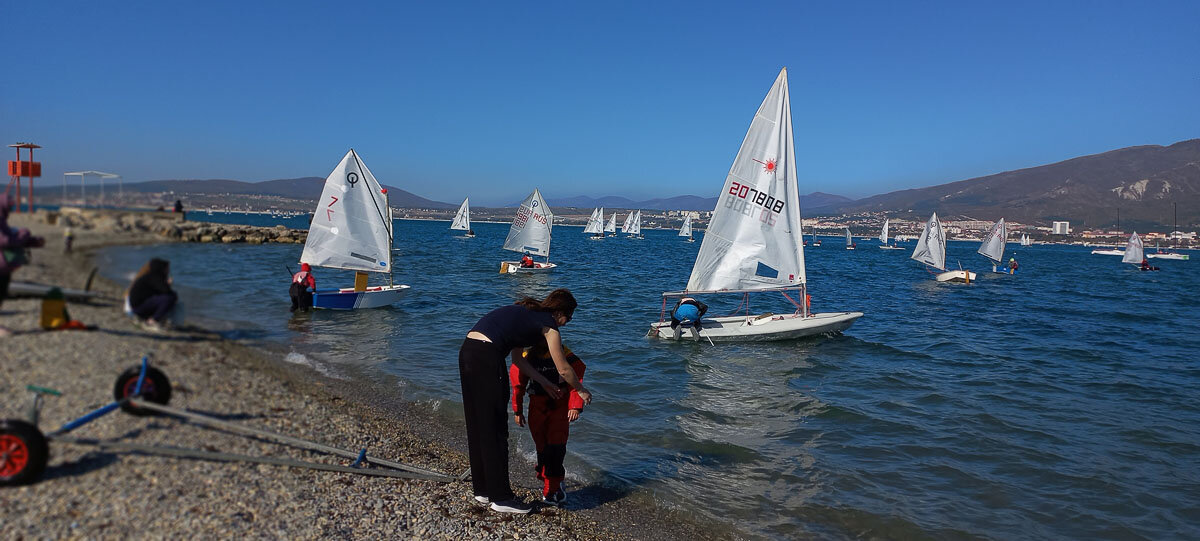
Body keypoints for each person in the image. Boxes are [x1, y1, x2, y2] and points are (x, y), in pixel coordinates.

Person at [459, 289, 591, 514]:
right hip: (487, 356)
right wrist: (581, 390)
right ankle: (501, 498)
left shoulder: (528, 312)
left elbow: (518, 360)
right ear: (559, 312)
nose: (567, 323)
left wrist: (544, 383)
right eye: (568, 317)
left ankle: (482, 490)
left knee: (477, 424)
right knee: (496, 428)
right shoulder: (550, 327)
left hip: (468, 351)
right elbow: (564, 369)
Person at [510, 340, 587, 507]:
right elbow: (518, 385)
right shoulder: (525, 356)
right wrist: (517, 410)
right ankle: (546, 476)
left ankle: (552, 487)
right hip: (537, 407)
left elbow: (576, 377)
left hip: (559, 407)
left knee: (556, 447)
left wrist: (575, 406)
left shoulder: (563, 353)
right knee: (542, 447)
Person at [0, 194, 46, 335]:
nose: (11, 208)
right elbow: (6, 241)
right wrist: (25, 233)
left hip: (4, 267)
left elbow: (14, 239)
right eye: (10, 205)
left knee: (1, 293)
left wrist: (34, 241)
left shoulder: (3, 221)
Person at [127, 258, 177, 332]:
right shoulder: (154, 277)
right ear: (161, 268)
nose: (168, 271)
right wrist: (168, 284)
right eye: (167, 268)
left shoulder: (149, 276)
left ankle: (153, 318)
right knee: (170, 298)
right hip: (139, 308)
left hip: (137, 307)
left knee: (167, 298)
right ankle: (153, 321)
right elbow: (168, 292)